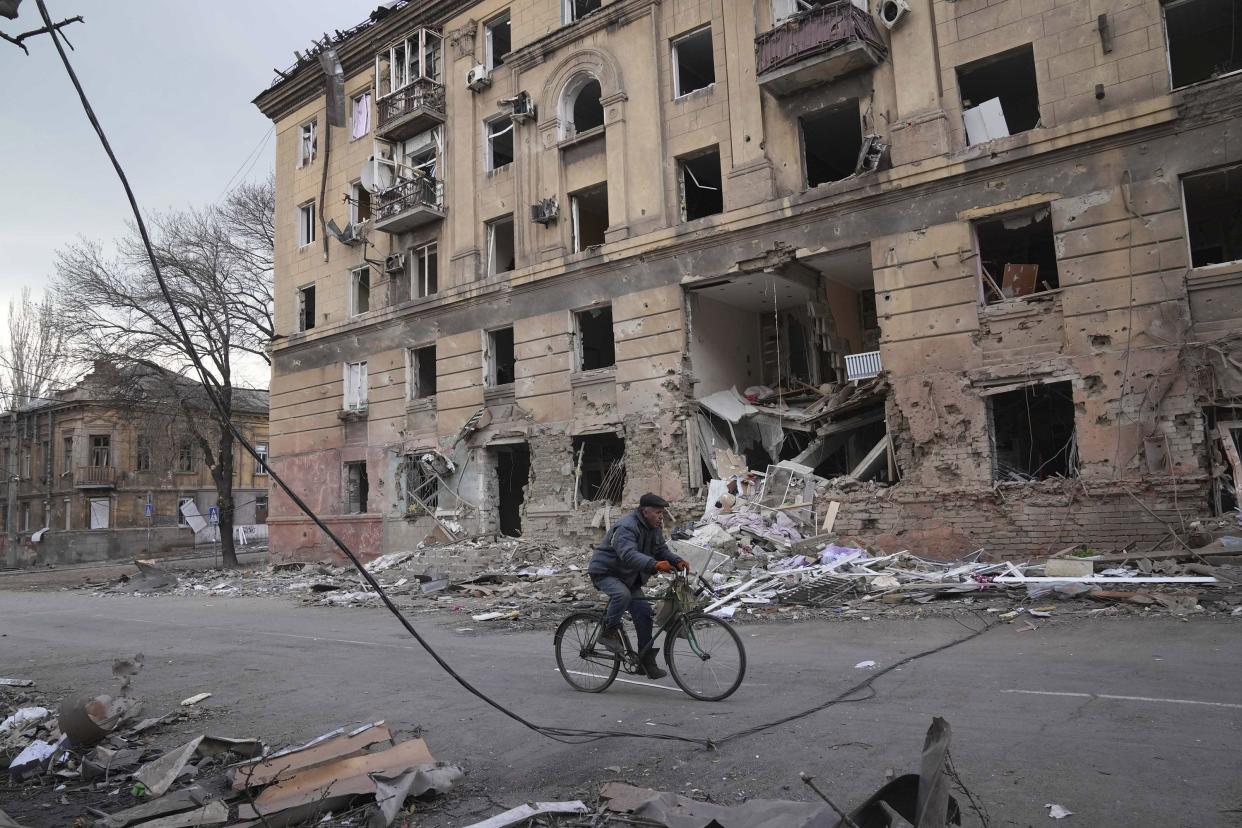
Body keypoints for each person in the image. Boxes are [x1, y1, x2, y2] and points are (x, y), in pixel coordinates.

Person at [588, 492, 688, 679]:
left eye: (662, 513)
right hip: (606, 572)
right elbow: (628, 554)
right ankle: (608, 633)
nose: (661, 516)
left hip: (628, 576)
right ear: (645, 512)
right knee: (622, 595)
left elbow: (660, 550)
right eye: (658, 512)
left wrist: (676, 560)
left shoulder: (654, 526)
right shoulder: (627, 527)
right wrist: (654, 564)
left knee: (644, 614)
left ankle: (645, 662)